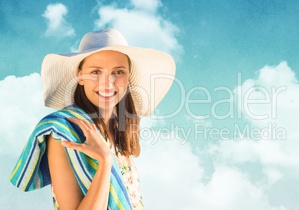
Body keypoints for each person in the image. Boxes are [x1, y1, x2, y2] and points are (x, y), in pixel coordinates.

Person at [9, 28, 176, 209]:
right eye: (96, 72)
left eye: (118, 72)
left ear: (128, 77)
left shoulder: (121, 130)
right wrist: (104, 161)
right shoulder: (65, 131)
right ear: (80, 76)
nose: (108, 82)